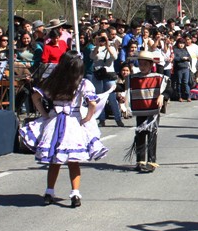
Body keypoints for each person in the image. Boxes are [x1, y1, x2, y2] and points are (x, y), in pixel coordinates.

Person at [19, 50, 109, 207]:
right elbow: (93, 103)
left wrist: (45, 114)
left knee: (55, 160)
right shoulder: (83, 83)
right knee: (73, 160)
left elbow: (35, 97)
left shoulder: (53, 80)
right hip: (73, 122)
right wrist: (88, 118)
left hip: (54, 120)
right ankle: (75, 193)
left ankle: (49, 191)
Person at [125, 51, 169, 173]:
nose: (142, 66)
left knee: (151, 134)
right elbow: (124, 88)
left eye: (145, 64)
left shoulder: (159, 78)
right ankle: (140, 161)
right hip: (140, 110)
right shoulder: (133, 78)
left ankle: (151, 161)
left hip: (152, 111)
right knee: (139, 134)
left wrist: (163, 95)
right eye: (140, 64)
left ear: (151, 65)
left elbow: (169, 88)